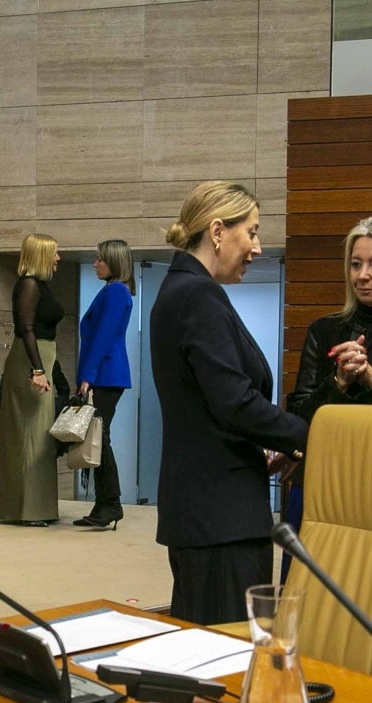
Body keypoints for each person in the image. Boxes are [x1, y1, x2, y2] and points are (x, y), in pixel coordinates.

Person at [151, 181, 308, 625]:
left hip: (203, 507)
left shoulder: (177, 290)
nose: (257, 248)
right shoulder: (198, 295)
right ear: (217, 231)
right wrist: (309, 436)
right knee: (228, 656)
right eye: (252, 232)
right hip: (221, 514)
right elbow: (234, 403)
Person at [287, 215, 372, 423]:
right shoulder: (324, 331)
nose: (362, 276)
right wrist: (338, 382)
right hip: (337, 452)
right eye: (356, 264)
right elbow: (297, 418)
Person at [0, 233, 65, 526]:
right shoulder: (29, 285)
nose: (59, 258)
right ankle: (26, 510)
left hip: (40, 359)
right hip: (29, 362)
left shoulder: (40, 286)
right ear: (41, 255)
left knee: (37, 435)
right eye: (54, 253)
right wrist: (37, 370)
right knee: (28, 436)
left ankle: (35, 507)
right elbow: (26, 329)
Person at [74, 239, 135, 530]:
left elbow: (102, 338)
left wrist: (87, 376)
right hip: (106, 372)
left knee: (100, 437)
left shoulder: (115, 292)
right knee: (99, 437)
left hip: (106, 374)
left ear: (114, 262)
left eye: (100, 259)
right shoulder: (114, 291)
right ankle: (106, 503)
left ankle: (110, 503)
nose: (96, 263)